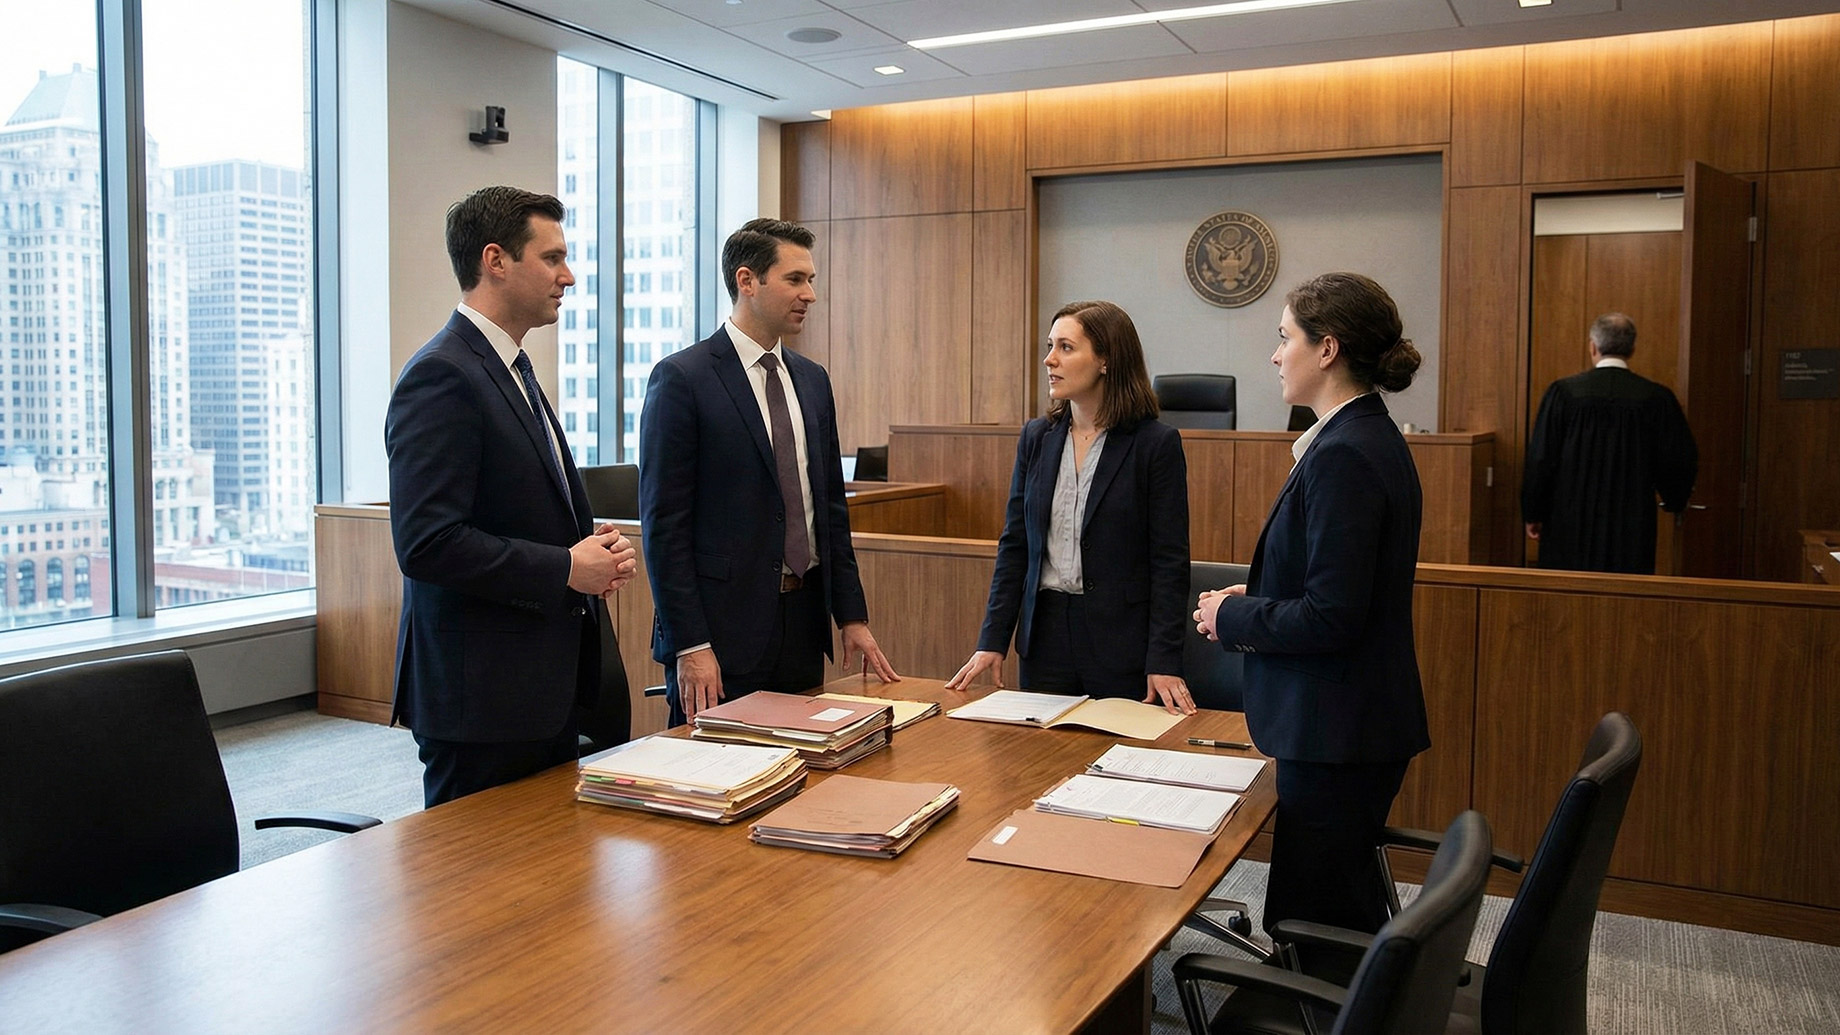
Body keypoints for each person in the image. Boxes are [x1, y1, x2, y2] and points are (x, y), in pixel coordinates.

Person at [386, 185, 638, 808]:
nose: (569, 276)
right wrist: (565, 568)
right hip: (482, 699)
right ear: (495, 261)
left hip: (539, 685)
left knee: (546, 887)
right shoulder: (442, 373)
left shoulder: (512, 367)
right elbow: (427, 543)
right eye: (551, 258)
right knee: (474, 895)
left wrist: (590, 548)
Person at [1195, 272, 1430, 936]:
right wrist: (1262, 593)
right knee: (1330, 906)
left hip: (1338, 730)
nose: (1274, 355)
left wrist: (1231, 616)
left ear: (1327, 349)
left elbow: (1333, 615)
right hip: (1346, 723)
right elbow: (1341, 584)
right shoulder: (1356, 436)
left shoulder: (1344, 454)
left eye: (1284, 337)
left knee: (1316, 924)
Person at [639, 218, 898, 727]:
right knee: (714, 783)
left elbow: (829, 511)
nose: (811, 294)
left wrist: (851, 616)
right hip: (719, 636)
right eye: (796, 279)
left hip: (801, 627)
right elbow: (665, 528)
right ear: (747, 281)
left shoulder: (812, 380)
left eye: (812, 280)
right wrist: (690, 644)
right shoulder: (682, 379)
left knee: (799, 780)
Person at [945, 301, 1194, 713]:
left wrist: (1164, 659)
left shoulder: (1154, 444)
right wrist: (993, 640)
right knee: (1040, 765)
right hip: (1045, 639)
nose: (1049, 359)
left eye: (1065, 347)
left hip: (1120, 641)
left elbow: (1169, 562)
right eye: (1050, 345)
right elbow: (1016, 545)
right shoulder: (1037, 437)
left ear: (1105, 361)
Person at [1522, 312, 1698, 574]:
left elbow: (1541, 458)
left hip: (1569, 524)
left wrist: (1533, 511)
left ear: (1593, 346)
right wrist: (1674, 500)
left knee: (1567, 597)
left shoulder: (1563, 394)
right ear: (1632, 349)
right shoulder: (1656, 399)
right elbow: (1678, 459)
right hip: (1631, 526)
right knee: (1625, 602)